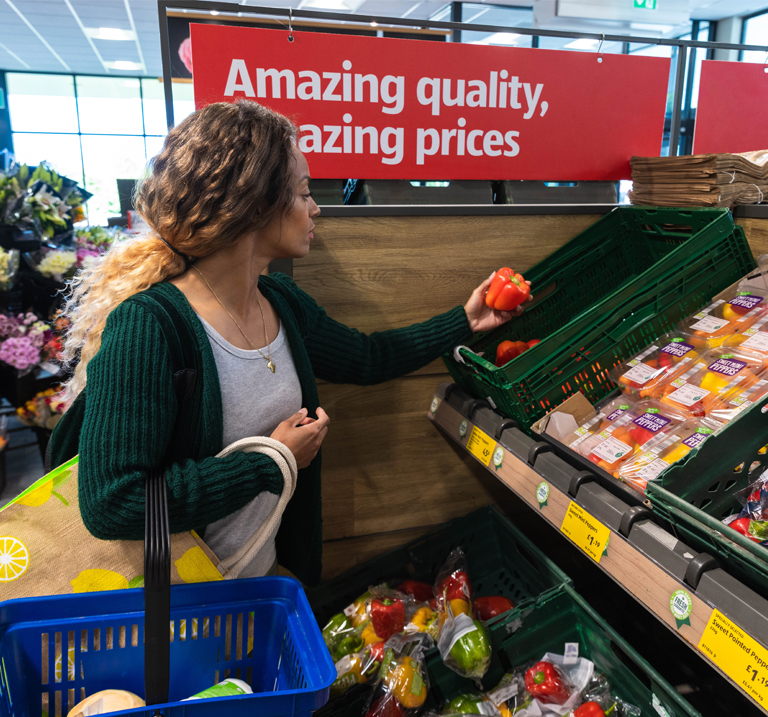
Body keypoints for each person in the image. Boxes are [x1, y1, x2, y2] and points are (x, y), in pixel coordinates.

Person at [50, 100, 527, 586]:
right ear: (255, 207)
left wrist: (466, 320)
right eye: (303, 193)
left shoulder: (278, 300)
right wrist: (267, 463)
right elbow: (112, 503)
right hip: (179, 608)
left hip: (259, 583)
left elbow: (367, 357)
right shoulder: (148, 327)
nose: (315, 207)